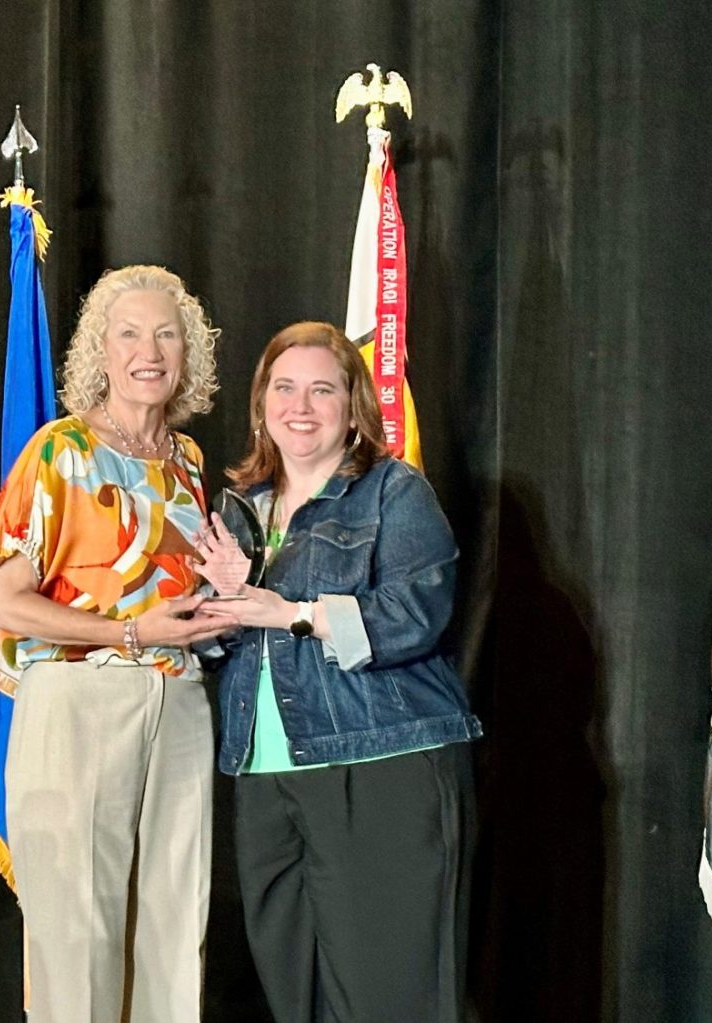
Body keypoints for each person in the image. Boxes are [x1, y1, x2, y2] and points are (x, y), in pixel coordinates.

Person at [194, 320, 482, 1023]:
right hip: (264, 778)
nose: (301, 405)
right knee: (298, 995)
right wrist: (219, 607)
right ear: (261, 403)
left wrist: (291, 610)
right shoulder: (239, 510)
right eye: (284, 388)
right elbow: (217, 645)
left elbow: (419, 613)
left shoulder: (393, 492)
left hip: (381, 764)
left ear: (353, 405)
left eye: (322, 388)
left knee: (390, 998)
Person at [0, 265, 232, 1023]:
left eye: (165, 334)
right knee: (78, 935)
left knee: (173, 926)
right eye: (128, 333)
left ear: (188, 355)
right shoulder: (62, 452)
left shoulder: (187, 462)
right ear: (100, 351)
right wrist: (128, 631)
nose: (147, 350)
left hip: (179, 702)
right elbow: (1, 600)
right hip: (78, 704)